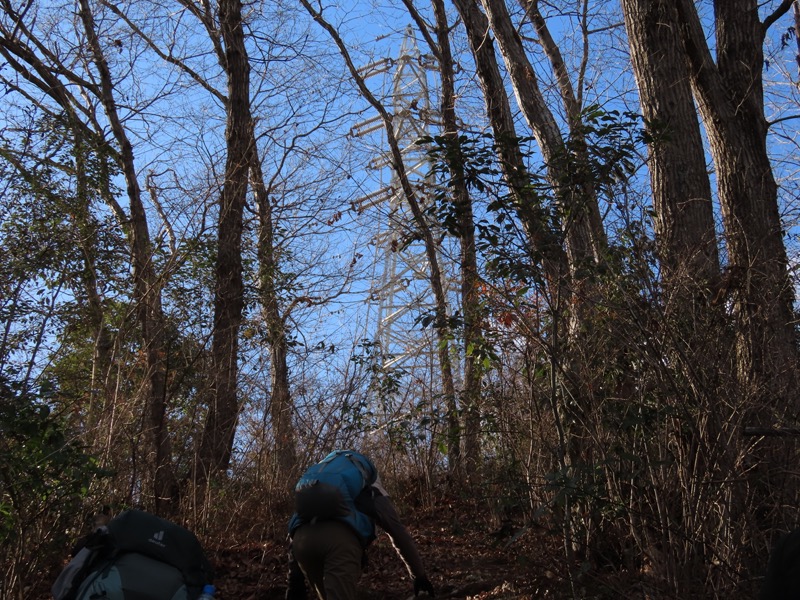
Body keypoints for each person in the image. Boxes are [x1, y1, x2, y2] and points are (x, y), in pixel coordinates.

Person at [285, 450, 435, 600]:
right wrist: (419, 575)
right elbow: (398, 534)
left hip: (301, 544)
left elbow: (295, 525)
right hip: (339, 544)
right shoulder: (370, 486)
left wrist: (293, 579)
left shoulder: (317, 483)